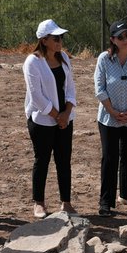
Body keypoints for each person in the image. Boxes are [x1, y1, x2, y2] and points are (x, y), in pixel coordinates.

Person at [94, 20, 127, 218]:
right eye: (120, 37)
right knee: (109, 158)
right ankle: (106, 201)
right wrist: (113, 111)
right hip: (109, 118)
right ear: (112, 40)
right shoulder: (104, 59)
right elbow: (99, 89)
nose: (125, 39)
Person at [24, 19, 77, 218]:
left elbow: (70, 87)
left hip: (65, 118)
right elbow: (36, 95)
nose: (59, 41)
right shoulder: (33, 62)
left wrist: (66, 113)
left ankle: (66, 202)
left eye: (61, 37)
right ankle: (39, 203)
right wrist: (56, 115)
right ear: (44, 40)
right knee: (42, 160)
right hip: (42, 120)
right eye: (55, 38)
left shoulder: (64, 57)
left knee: (64, 160)